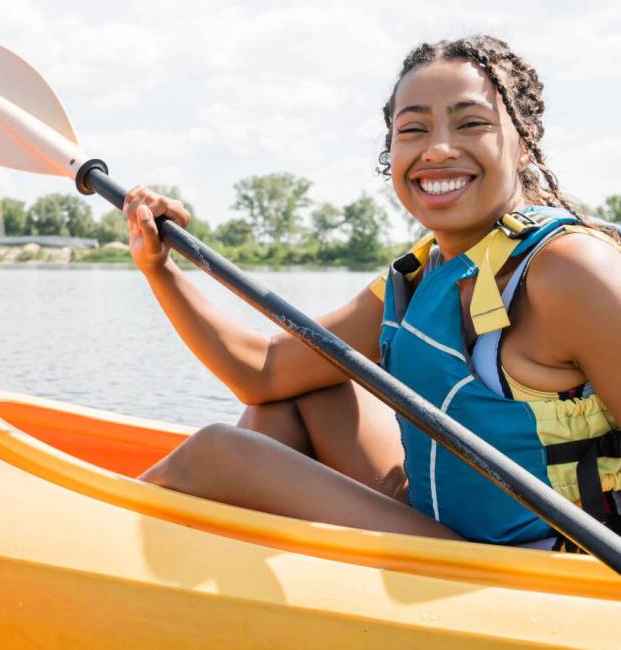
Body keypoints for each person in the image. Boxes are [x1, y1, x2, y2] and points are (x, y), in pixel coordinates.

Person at [124, 35, 621, 548]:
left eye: (471, 122)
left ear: (525, 139)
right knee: (302, 396)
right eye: (413, 129)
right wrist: (159, 269)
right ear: (391, 152)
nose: (438, 148)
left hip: (535, 576)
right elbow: (266, 372)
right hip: (446, 526)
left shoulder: (570, 269)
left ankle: (92, 555)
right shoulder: (422, 274)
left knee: (217, 456)